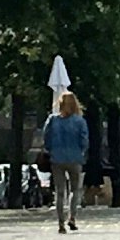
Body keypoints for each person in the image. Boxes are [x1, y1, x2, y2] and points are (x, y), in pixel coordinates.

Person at [43, 90, 90, 232]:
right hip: (75, 158)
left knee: (59, 191)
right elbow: (84, 141)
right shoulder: (79, 121)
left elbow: (46, 137)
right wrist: (81, 151)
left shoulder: (53, 119)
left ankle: (60, 223)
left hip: (57, 159)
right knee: (75, 190)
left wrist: (51, 150)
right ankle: (72, 217)